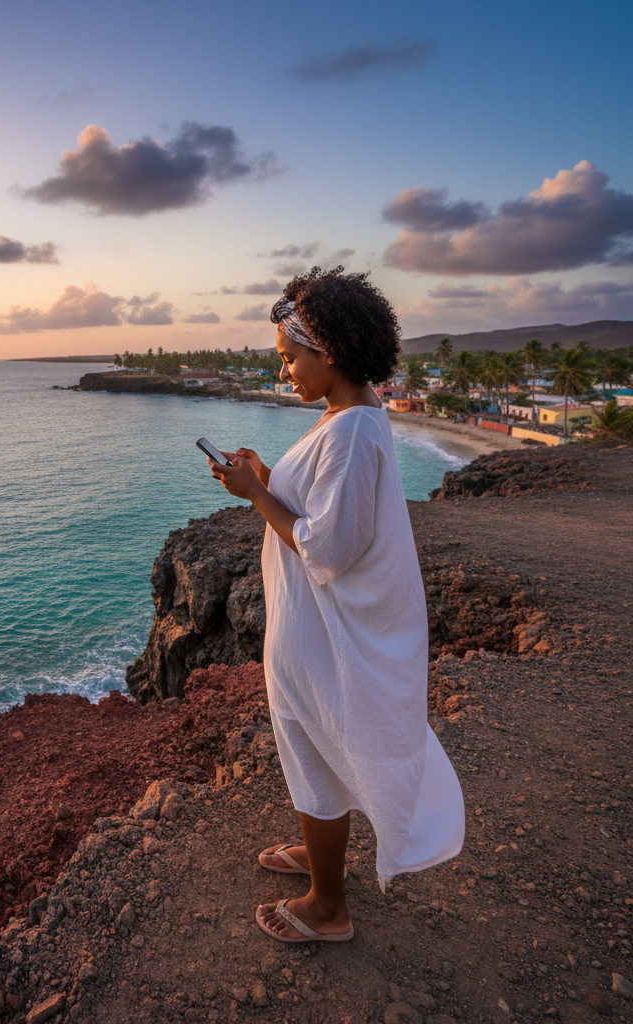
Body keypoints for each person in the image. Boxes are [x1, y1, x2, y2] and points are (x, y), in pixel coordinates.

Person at [208, 266, 464, 944]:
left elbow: (326, 547)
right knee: (312, 750)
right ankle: (320, 861)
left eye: (291, 357)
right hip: (314, 627)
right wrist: (267, 477)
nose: (285, 371)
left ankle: (329, 909)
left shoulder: (350, 432)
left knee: (312, 751)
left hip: (326, 634)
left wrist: (254, 497)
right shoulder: (344, 417)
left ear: (331, 352)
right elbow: (322, 508)